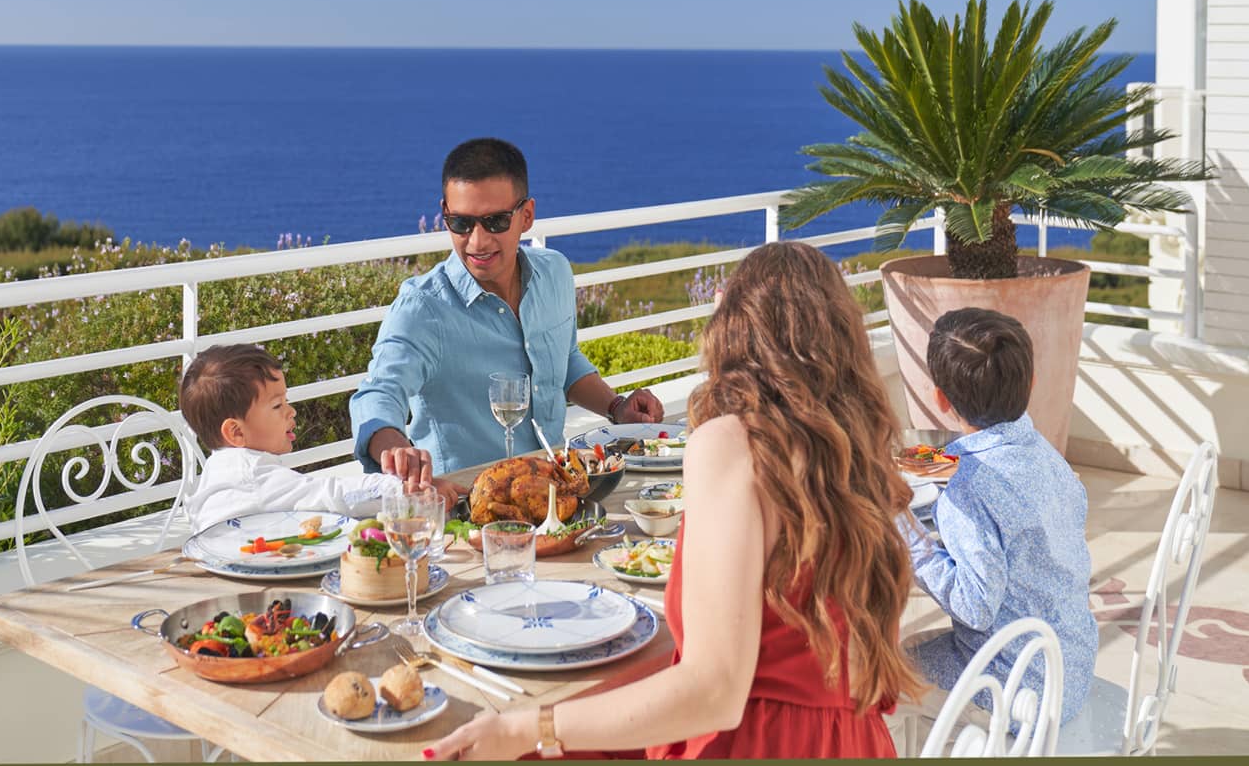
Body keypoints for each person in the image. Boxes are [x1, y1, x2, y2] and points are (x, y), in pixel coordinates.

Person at [428, 242, 923, 761]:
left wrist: (528, 729)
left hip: (757, 742)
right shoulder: (857, 456)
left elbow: (713, 691)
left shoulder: (735, 445)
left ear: (733, 327)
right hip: (853, 740)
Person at [349, 137, 663, 480]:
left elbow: (566, 361)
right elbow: (378, 392)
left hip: (555, 487)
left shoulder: (555, 273)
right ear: (444, 215)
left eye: (495, 221)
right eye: (461, 223)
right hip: (465, 500)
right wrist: (394, 447)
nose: (477, 242)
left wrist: (617, 407)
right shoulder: (423, 309)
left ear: (526, 216)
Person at [899, 307, 1096, 724]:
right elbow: (990, 478)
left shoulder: (968, 487)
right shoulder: (1049, 459)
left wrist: (906, 533)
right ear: (1031, 383)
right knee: (917, 648)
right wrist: (921, 464)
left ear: (940, 399)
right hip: (1067, 670)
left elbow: (975, 608)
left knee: (885, 671)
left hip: (1014, 695)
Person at [179, 344, 405, 531]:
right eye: (277, 405)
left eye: (286, 401)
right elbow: (332, 496)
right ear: (236, 432)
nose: (291, 412)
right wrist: (399, 488)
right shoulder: (253, 475)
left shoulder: (218, 469)